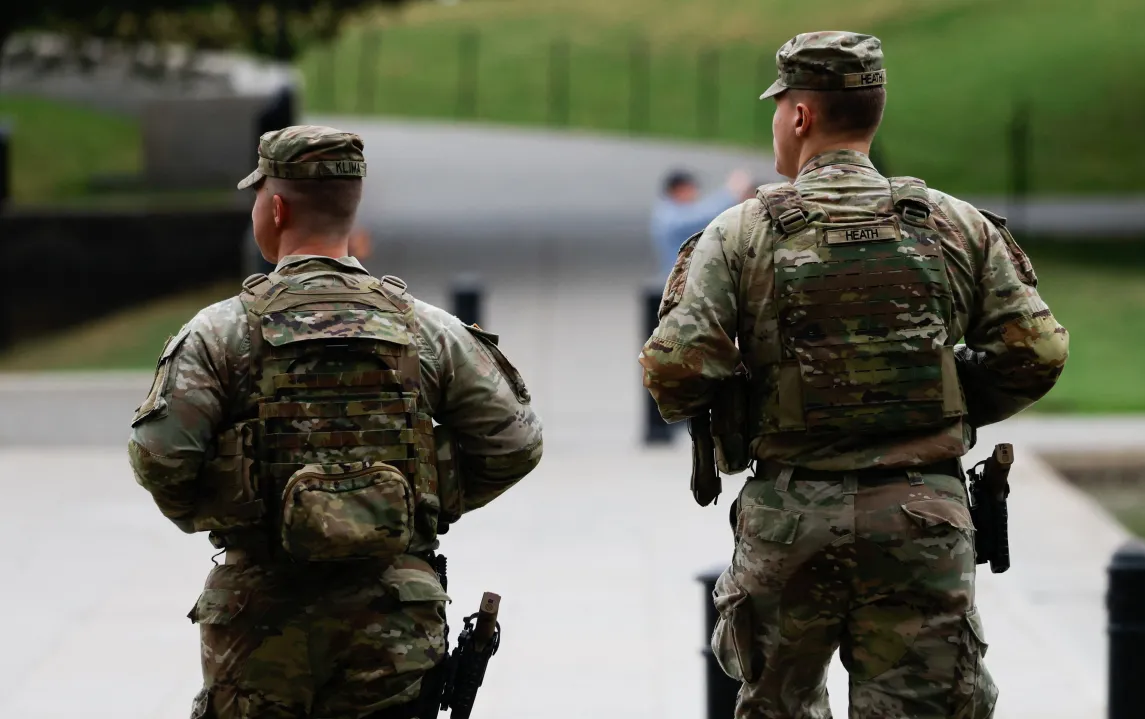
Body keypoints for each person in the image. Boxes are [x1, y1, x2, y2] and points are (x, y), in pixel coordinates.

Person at [639, 32, 1069, 718]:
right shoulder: (954, 225)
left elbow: (673, 370)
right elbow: (1037, 352)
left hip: (789, 523)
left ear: (800, 116)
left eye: (778, 108)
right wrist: (937, 392)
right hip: (922, 519)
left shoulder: (739, 234)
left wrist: (758, 391)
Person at [128, 125, 543, 719]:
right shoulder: (427, 330)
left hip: (259, 625)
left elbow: (161, 458)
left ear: (275, 208)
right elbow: (516, 442)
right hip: (395, 623)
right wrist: (423, 500)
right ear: (352, 206)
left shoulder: (221, 333)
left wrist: (231, 510)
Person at [651, 168, 754, 274]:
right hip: (683, 278)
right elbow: (702, 216)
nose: (696, 193)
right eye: (691, 189)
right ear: (679, 189)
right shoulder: (668, 216)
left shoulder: (672, 211)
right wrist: (732, 191)